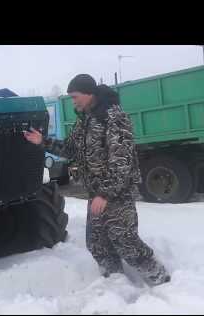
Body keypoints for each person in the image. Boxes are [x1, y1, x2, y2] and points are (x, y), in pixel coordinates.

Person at [24, 74, 170, 286]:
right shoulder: (85, 120)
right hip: (97, 194)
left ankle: (161, 280)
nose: (73, 101)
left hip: (116, 193)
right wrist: (42, 141)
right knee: (97, 244)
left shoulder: (113, 118)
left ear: (89, 93)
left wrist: (105, 194)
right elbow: (70, 149)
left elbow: (122, 161)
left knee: (125, 241)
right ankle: (115, 282)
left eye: (75, 96)